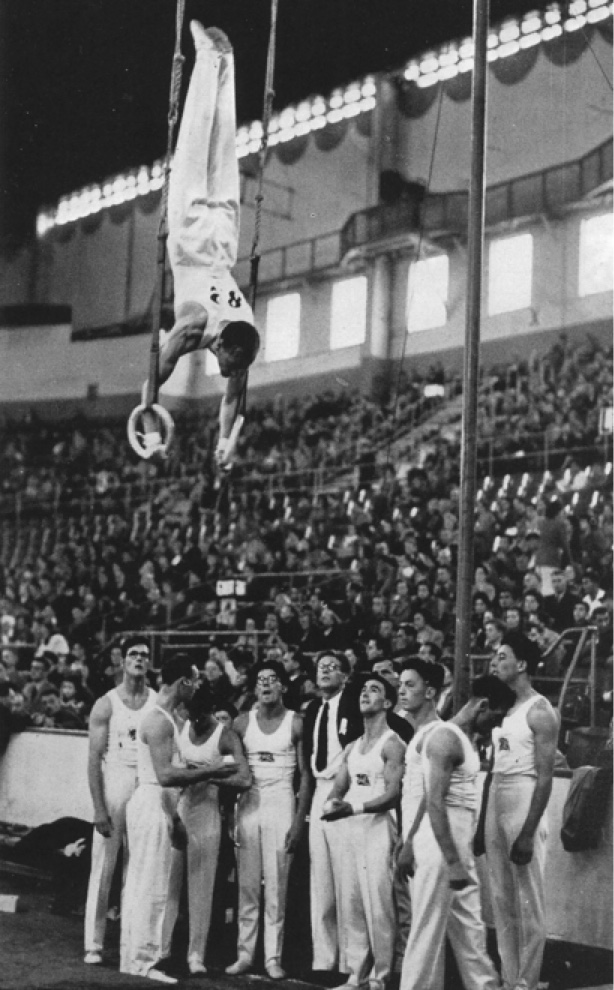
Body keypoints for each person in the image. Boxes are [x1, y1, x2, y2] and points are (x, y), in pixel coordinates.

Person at [143, 22, 260, 465]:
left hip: (225, 240)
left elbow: (232, 402)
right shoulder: (195, 325)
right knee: (195, 141)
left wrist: (224, 443)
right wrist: (151, 435)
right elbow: (154, 377)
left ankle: (226, 65)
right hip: (193, 239)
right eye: (229, 366)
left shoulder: (244, 332)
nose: (228, 374)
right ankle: (207, 58)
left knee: (224, 147)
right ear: (225, 347)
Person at [120, 652, 238, 984]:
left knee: (149, 882)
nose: (200, 684)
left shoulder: (169, 718)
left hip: (160, 803)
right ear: (183, 682)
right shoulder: (159, 720)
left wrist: (174, 816)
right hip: (151, 800)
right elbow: (166, 776)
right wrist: (212, 768)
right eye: (196, 678)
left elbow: (169, 778)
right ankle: (141, 961)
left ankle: (138, 957)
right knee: (151, 885)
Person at [397, 674, 515, 990]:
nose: (496, 724)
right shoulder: (444, 739)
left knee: (471, 930)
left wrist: (411, 843)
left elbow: (428, 799)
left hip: (454, 844)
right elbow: (434, 802)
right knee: (427, 931)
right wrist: (450, 860)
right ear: (482, 706)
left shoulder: (464, 739)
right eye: (496, 717)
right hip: (440, 847)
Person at [321, 674, 406, 990]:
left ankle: (381, 977)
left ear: (387, 703)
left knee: (379, 906)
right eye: (363, 690)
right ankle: (356, 974)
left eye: (375, 690)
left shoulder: (393, 744)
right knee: (352, 903)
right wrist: (331, 804)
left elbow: (393, 795)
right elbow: (340, 787)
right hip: (351, 830)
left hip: (377, 830)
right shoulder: (354, 746)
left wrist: (353, 809)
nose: (365, 694)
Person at [228, 660, 311, 979]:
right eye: (260, 680)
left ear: (283, 687)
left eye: (272, 679)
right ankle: (245, 954)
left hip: (280, 803)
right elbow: (232, 769)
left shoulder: (296, 722)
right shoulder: (240, 723)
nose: (265, 685)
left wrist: (299, 820)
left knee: (277, 884)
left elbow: (305, 777)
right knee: (247, 885)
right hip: (249, 803)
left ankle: (272, 957)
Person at [486, 631, 559, 990]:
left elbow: (545, 779)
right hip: (497, 796)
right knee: (500, 897)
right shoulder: (504, 708)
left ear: (523, 664)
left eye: (502, 656)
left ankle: (527, 982)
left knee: (528, 902)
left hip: (524, 796)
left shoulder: (540, 710)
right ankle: (508, 976)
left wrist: (528, 832)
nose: (495, 662)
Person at [163, 682, 251, 975]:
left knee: (201, 889)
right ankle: (162, 948)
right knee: (169, 885)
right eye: (192, 714)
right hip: (180, 810)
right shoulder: (180, 728)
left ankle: (196, 955)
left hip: (207, 813)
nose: (196, 720)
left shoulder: (225, 736)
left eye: (203, 714)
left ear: (214, 711)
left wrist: (208, 778)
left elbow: (244, 779)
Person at [84, 635, 158, 966]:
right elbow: (93, 759)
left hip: (145, 784)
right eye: (133, 654)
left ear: (150, 662)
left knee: (138, 869)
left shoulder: (158, 703)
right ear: (123, 661)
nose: (139, 659)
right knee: (103, 868)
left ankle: (131, 939)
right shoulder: (106, 703)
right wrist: (99, 807)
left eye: (144, 655)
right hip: (115, 782)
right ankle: (94, 943)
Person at [303, 651, 363, 980]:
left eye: (332, 667)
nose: (324, 672)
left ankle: (350, 963)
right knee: (321, 879)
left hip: (345, 788)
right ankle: (323, 960)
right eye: (320, 667)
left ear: (345, 675)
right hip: (319, 789)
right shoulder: (313, 708)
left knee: (346, 878)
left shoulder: (353, 703)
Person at [394, 659, 446, 970]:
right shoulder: (413, 733)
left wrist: (411, 841)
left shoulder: (437, 734)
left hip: (426, 839)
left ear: (430, 692)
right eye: (400, 684)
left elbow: (431, 795)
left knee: (426, 923)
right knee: (411, 918)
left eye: (410, 685)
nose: (401, 691)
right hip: (412, 834)